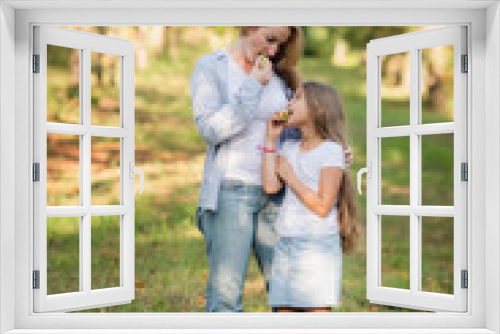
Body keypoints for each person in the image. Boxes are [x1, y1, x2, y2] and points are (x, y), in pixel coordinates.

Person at [189, 26, 353, 312]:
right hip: (231, 190)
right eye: (270, 39)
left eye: (281, 44)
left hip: (278, 194)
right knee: (226, 295)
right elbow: (211, 131)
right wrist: (253, 85)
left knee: (287, 291)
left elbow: (295, 130)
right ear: (251, 26)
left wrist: (330, 151)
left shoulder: (280, 77)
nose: (275, 51)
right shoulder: (211, 67)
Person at [262, 81, 360, 312]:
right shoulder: (289, 149)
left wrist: (290, 176)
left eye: (297, 98)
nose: (289, 103)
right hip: (286, 241)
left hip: (316, 246)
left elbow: (323, 207)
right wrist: (270, 141)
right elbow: (269, 186)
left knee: (315, 316)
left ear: (318, 108)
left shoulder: (331, 151)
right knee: (284, 313)